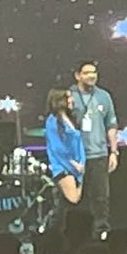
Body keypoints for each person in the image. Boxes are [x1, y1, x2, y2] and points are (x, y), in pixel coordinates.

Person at [68, 60, 119, 236]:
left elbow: (111, 125)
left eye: (94, 72)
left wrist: (114, 152)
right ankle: (76, 236)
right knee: (76, 198)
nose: (91, 76)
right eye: (87, 73)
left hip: (99, 155)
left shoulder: (104, 96)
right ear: (77, 76)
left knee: (100, 198)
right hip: (76, 157)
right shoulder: (69, 96)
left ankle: (101, 233)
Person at [43, 88, 85, 229]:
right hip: (64, 167)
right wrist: (73, 164)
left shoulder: (70, 118)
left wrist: (81, 163)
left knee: (75, 205)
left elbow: (78, 142)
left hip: (78, 167)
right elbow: (57, 148)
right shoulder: (52, 121)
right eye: (68, 98)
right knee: (71, 202)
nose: (72, 100)